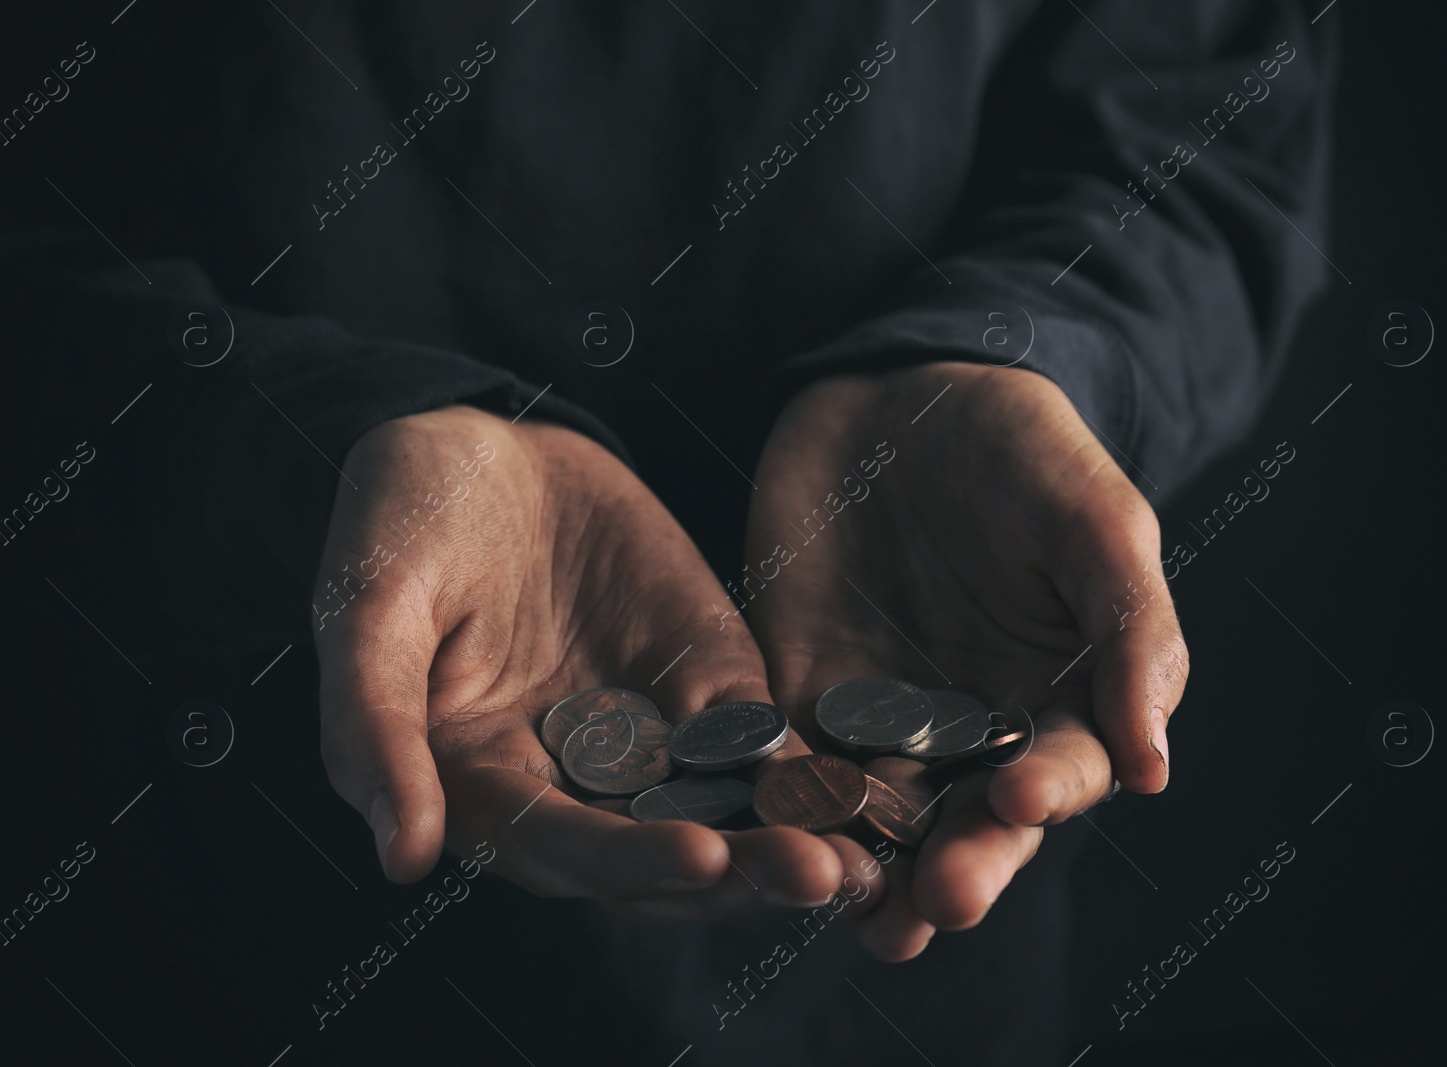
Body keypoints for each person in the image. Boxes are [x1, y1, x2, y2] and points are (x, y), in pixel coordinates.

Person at [0, 1, 1332, 1061]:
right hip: (230, 918)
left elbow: (1209, 119)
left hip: (911, 919)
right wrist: (288, 439)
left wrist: (1036, 358)